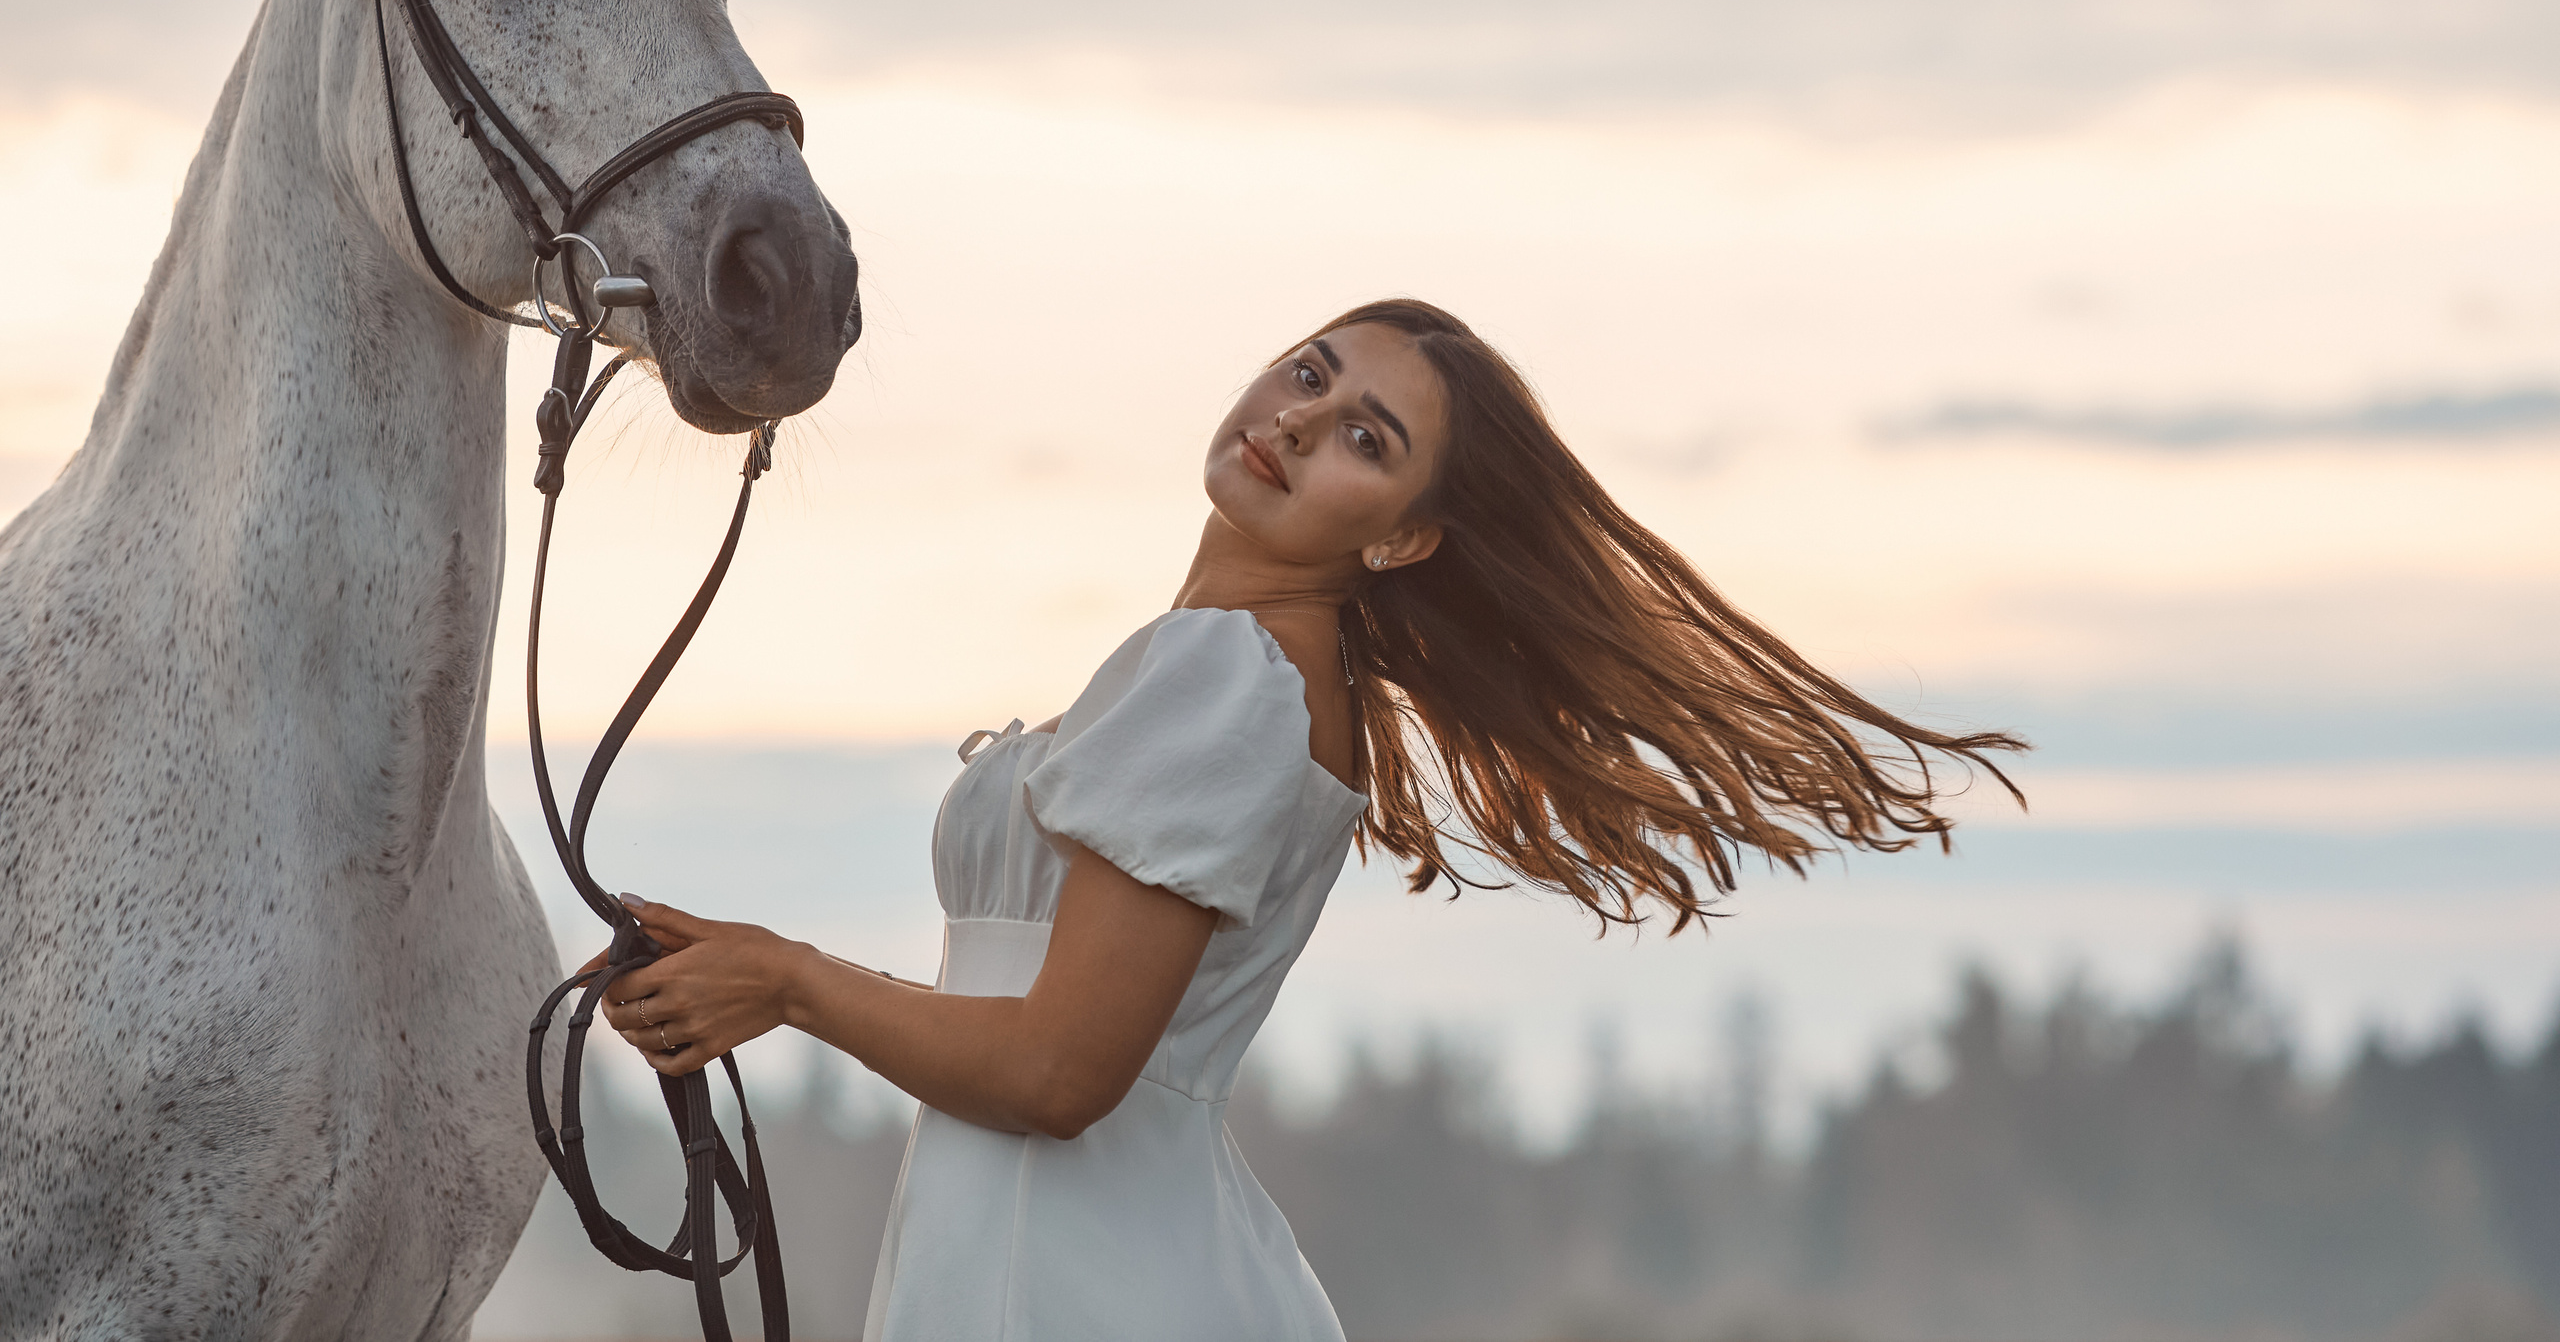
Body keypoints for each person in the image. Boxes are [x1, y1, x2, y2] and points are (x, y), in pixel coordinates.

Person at [597, 297, 2021, 1341]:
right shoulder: (1251, 671)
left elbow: (1055, 1075)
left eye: (1363, 437)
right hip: (1064, 1256)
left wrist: (787, 979)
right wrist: (741, 966)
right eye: (1307, 372)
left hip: (1074, 1282)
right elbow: (1040, 1004)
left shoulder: (1227, 679)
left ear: (1401, 537)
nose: (1292, 420)